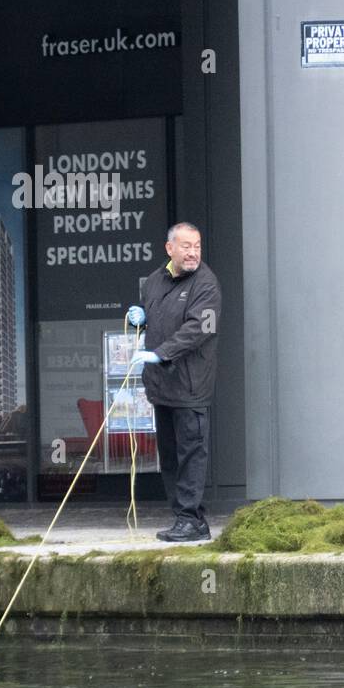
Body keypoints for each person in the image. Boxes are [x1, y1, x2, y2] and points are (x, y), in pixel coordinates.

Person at [127, 222, 222, 541]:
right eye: (186, 246)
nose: (193, 252)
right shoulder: (154, 281)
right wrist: (136, 314)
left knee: (191, 454)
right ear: (170, 249)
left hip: (191, 386)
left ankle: (191, 520)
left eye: (197, 246)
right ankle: (183, 517)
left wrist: (160, 353)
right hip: (161, 387)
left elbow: (200, 328)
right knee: (169, 456)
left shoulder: (206, 284)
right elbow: (151, 315)